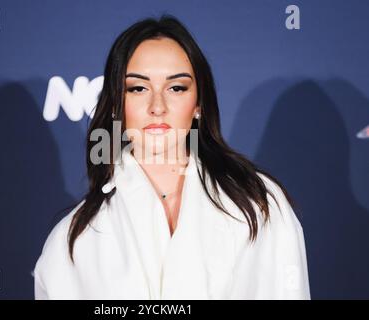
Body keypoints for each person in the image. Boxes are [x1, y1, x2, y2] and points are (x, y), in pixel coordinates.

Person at [33, 14, 310, 299]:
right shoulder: (72, 243)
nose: (157, 106)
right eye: (138, 88)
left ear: (198, 103)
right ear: (116, 103)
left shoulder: (258, 204)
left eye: (176, 87)